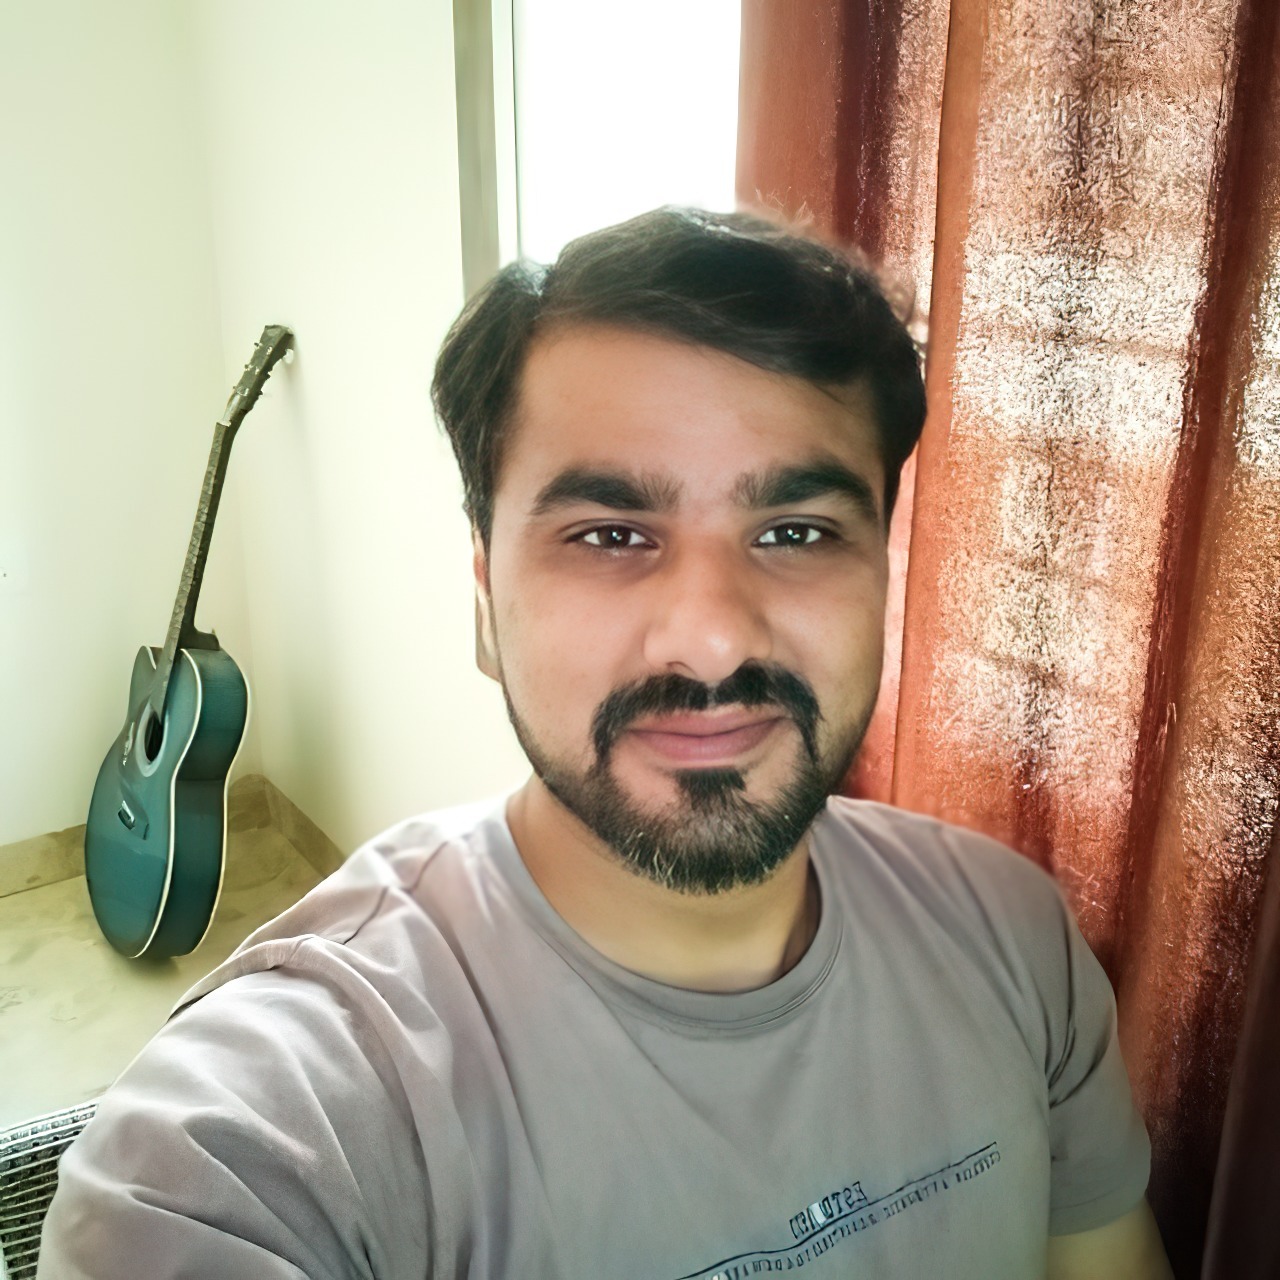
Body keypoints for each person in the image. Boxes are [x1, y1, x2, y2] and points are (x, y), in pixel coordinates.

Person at [40, 208, 1172, 1278]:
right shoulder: (249, 1141)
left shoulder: (1011, 938)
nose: (712, 638)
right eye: (610, 534)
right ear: (485, 598)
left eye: (794, 531)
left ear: (882, 567)